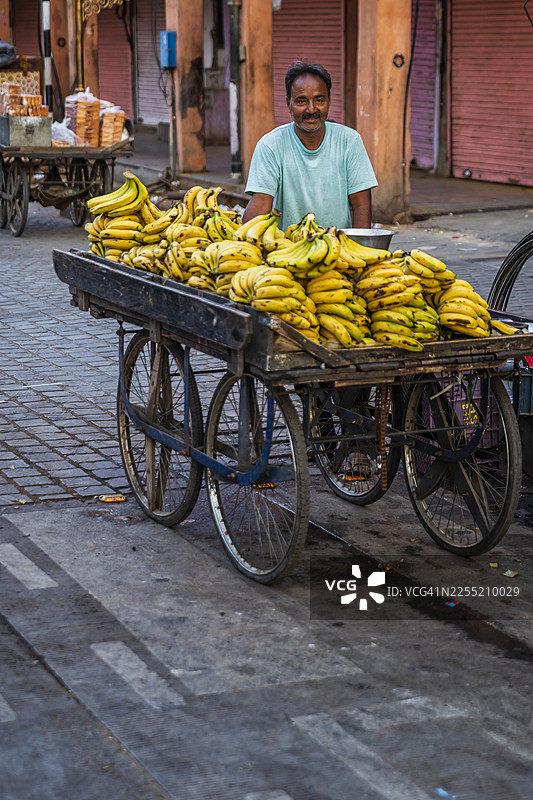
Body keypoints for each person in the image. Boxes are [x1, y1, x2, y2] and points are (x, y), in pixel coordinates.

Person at [242, 60, 377, 231]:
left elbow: (360, 206)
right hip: (288, 250)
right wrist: (244, 243)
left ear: (329, 100)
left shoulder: (349, 141)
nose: (311, 109)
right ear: (288, 103)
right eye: (301, 101)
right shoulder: (271, 145)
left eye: (319, 100)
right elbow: (261, 203)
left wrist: (360, 250)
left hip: (338, 249)